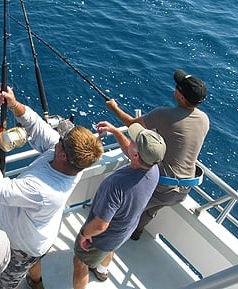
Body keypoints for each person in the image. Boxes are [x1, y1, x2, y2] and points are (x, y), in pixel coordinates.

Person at [89, 69, 209, 281]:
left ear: (181, 96)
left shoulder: (164, 115)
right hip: (183, 190)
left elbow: (132, 125)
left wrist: (114, 108)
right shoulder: (204, 119)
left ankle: (104, 255)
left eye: (177, 87)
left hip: (160, 185)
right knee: (150, 210)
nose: (175, 88)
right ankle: (137, 233)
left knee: (123, 218)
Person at [0, 85, 104, 289]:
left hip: (22, 248)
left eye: (62, 140)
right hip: (40, 238)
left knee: (6, 282)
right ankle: (36, 282)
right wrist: (13, 104)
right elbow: (36, 126)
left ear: (63, 155)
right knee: (34, 261)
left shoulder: (43, 189)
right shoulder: (71, 161)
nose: (58, 137)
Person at [72, 121, 166, 289]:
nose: (131, 141)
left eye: (134, 141)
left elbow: (101, 225)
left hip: (102, 237)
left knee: (79, 261)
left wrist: (84, 234)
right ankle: (102, 270)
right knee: (110, 249)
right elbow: (132, 152)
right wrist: (115, 131)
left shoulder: (116, 184)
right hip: (124, 230)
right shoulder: (153, 169)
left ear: (136, 155)